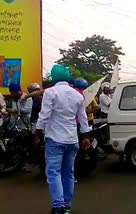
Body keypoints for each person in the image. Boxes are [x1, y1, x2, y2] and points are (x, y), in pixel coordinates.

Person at [35, 65, 91, 214]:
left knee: (53, 173)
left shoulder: (50, 92)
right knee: (68, 173)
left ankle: (58, 206)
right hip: (72, 140)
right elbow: (83, 118)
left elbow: (44, 115)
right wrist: (85, 136)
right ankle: (67, 206)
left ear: (54, 77)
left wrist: (37, 133)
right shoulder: (77, 95)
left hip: (55, 139)